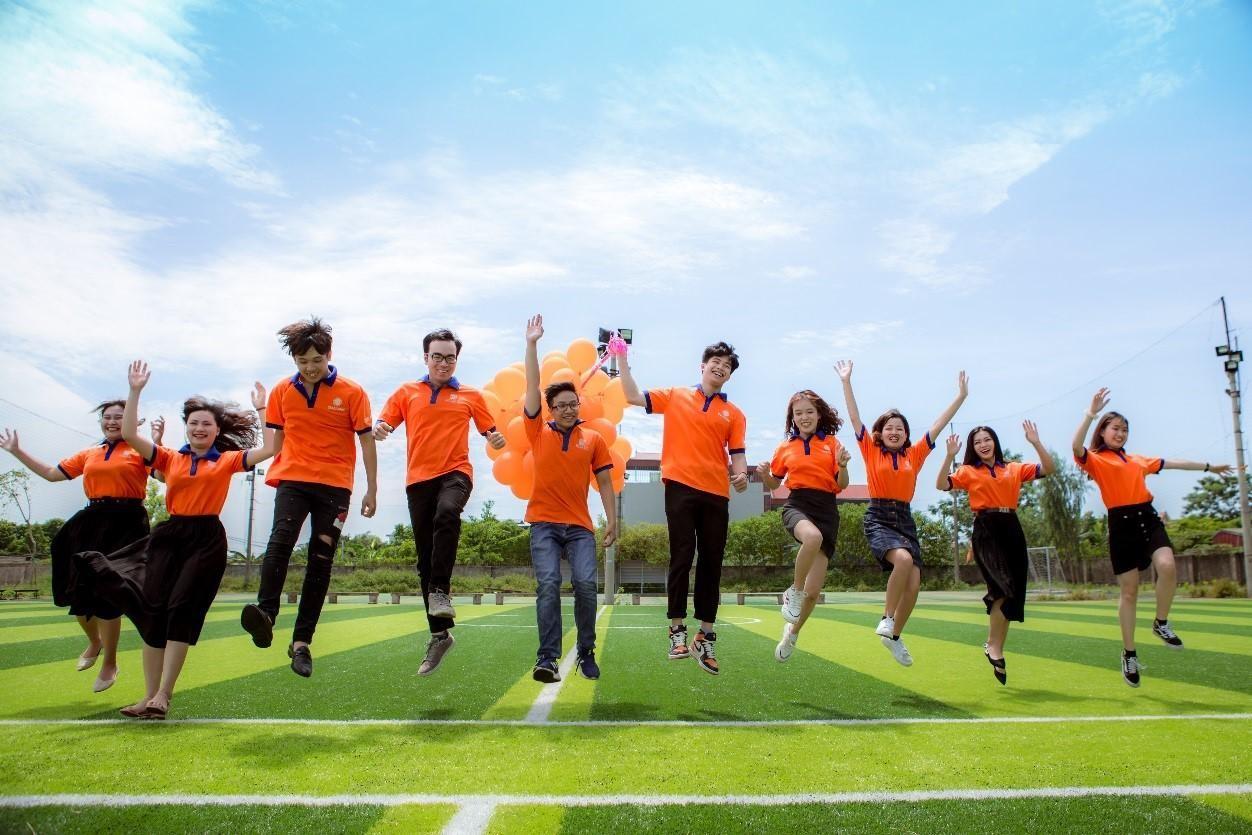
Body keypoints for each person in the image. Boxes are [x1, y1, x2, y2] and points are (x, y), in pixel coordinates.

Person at [75, 361, 278, 719]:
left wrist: (262, 409)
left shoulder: (227, 461)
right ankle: (147, 697)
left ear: (217, 430)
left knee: (181, 609)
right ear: (186, 427)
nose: (199, 428)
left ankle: (163, 696)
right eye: (194, 423)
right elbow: (130, 434)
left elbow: (271, 448)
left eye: (207, 424)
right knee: (153, 612)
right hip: (169, 537)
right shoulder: (169, 458)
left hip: (205, 539)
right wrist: (135, 390)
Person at [240, 317, 377, 678]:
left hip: (335, 485)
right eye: (303, 362)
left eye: (317, 360)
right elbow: (274, 443)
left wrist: (372, 488)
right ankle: (266, 614)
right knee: (280, 540)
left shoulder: (352, 392)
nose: (310, 368)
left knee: (321, 559)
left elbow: (366, 442)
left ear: (329, 355)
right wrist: (260, 410)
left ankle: (301, 643)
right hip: (293, 478)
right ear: (294, 360)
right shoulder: (283, 391)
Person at [1072, 388, 1230, 687]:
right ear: (1103, 431)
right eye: (1115, 428)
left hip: (1147, 517)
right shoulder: (1094, 459)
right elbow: (1076, 445)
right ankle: (1129, 653)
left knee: (1167, 565)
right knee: (1129, 592)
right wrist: (1090, 413)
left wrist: (1210, 467)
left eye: (1125, 429)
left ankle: (1161, 622)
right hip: (1121, 525)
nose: (1121, 433)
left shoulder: (1137, 460)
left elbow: (1175, 463)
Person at [0, 406, 160, 691]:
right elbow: (52, 474)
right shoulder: (90, 453)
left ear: (132, 422)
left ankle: (110, 662)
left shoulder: (140, 450)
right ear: (101, 422)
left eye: (119, 417)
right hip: (92, 520)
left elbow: (163, 474)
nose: (112, 421)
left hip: (127, 524)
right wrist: (17, 451)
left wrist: (156, 443)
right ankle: (94, 642)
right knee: (78, 587)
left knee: (110, 593)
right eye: (107, 417)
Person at [375, 329, 506, 676]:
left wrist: (496, 439)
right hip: (418, 481)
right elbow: (385, 421)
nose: (443, 363)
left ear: (456, 360)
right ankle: (439, 636)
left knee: (448, 513)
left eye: (450, 357)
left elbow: (490, 431)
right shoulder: (407, 392)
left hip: (455, 473)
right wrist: (381, 428)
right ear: (426, 358)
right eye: (437, 356)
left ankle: (440, 591)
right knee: (424, 559)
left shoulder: (470, 395)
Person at [619, 341, 749, 675]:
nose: (720, 367)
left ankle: (705, 637)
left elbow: (737, 455)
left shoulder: (734, 414)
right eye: (716, 361)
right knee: (682, 555)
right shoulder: (675, 395)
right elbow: (631, 396)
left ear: (730, 376)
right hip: (679, 486)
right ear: (703, 365)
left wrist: (741, 476)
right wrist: (621, 358)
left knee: (712, 563)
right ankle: (677, 631)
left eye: (727, 366)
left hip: (716, 493)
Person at [836, 360, 968, 667]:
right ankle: (886, 618)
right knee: (904, 561)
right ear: (880, 433)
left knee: (914, 585)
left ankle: (893, 636)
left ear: (906, 433)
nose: (894, 432)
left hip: (905, 519)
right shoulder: (871, 450)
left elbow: (938, 425)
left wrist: (960, 397)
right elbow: (854, 417)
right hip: (879, 516)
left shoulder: (914, 454)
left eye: (900, 428)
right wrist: (846, 381)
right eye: (889, 428)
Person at [522, 315, 618, 682]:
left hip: (579, 527)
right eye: (561, 405)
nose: (568, 409)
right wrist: (532, 344)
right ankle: (547, 658)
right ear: (550, 409)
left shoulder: (593, 439)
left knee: (585, 586)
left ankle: (586, 652)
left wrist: (612, 521)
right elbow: (532, 385)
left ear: (579, 405)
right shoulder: (536, 432)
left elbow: (605, 483)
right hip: (543, 525)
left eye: (573, 404)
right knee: (548, 584)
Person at [936, 421, 1053, 684]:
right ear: (973, 448)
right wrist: (949, 456)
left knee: (1013, 594)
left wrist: (1035, 442)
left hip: (1012, 527)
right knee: (1001, 587)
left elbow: (1048, 468)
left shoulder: (1013, 468)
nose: (983, 445)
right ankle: (993, 646)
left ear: (995, 442)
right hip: (986, 529)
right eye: (977, 442)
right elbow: (941, 484)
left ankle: (994, 646)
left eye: (987, 439)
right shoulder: (968, 471)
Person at [757, 390, 850, 663]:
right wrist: (764, 475)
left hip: (827, 509)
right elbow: (775, 484)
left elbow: (843, 485)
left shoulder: (832, 443)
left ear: (819, 414)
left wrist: (843, 466)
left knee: (814, 593)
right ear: (793, 418)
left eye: (809, 411)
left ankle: (792, 633)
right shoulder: (785, 447)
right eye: (798, 413)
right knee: (812, 537)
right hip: (797, 505)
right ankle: (793, 592)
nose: (804, 417)